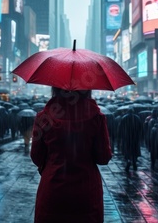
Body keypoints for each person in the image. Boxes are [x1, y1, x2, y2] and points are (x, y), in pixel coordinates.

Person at [30, 87, 112, 222]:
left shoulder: (44, 117)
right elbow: (103, 158)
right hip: (87, 192)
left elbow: (36, 156)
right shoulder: (96, 117)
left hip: (52, 191)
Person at [117, 107, 143, 171]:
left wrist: (119, 136)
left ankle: (128, 160)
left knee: (127, 150)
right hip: (135, 137)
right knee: (134, 150)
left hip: (126, 137)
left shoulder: (124, 118)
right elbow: (141, 128)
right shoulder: (137, 118)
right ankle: (134, 161)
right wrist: (140, 136)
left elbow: (120, 128)